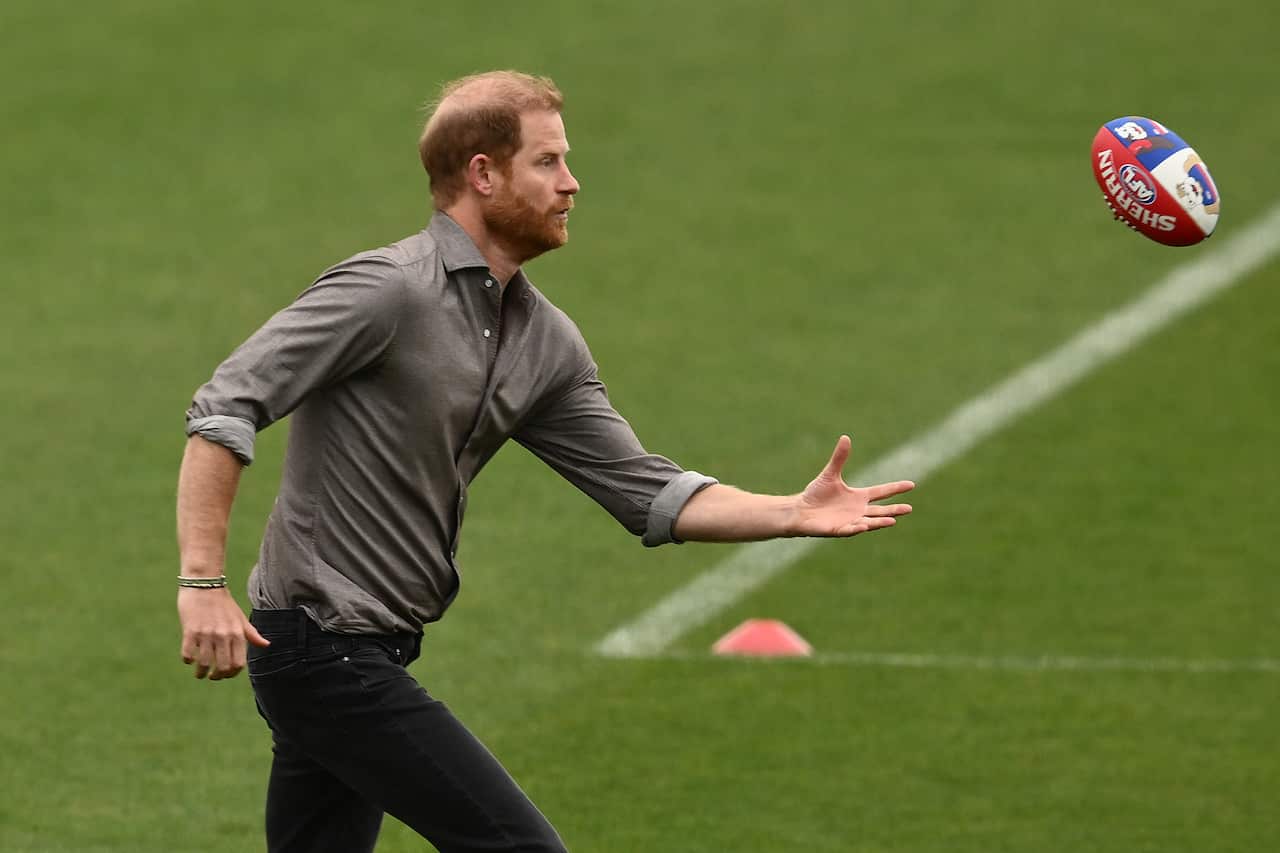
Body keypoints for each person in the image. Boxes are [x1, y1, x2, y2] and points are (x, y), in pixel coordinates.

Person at [176, 70, 915, 853]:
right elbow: (224, 406)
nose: (572, 183)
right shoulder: (386, 291)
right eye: (548, 162)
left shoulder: (542, 339)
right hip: (321, 647)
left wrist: (790, 512)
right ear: (482, 174)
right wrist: (201, 582)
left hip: (369, 646)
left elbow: (646, 490)